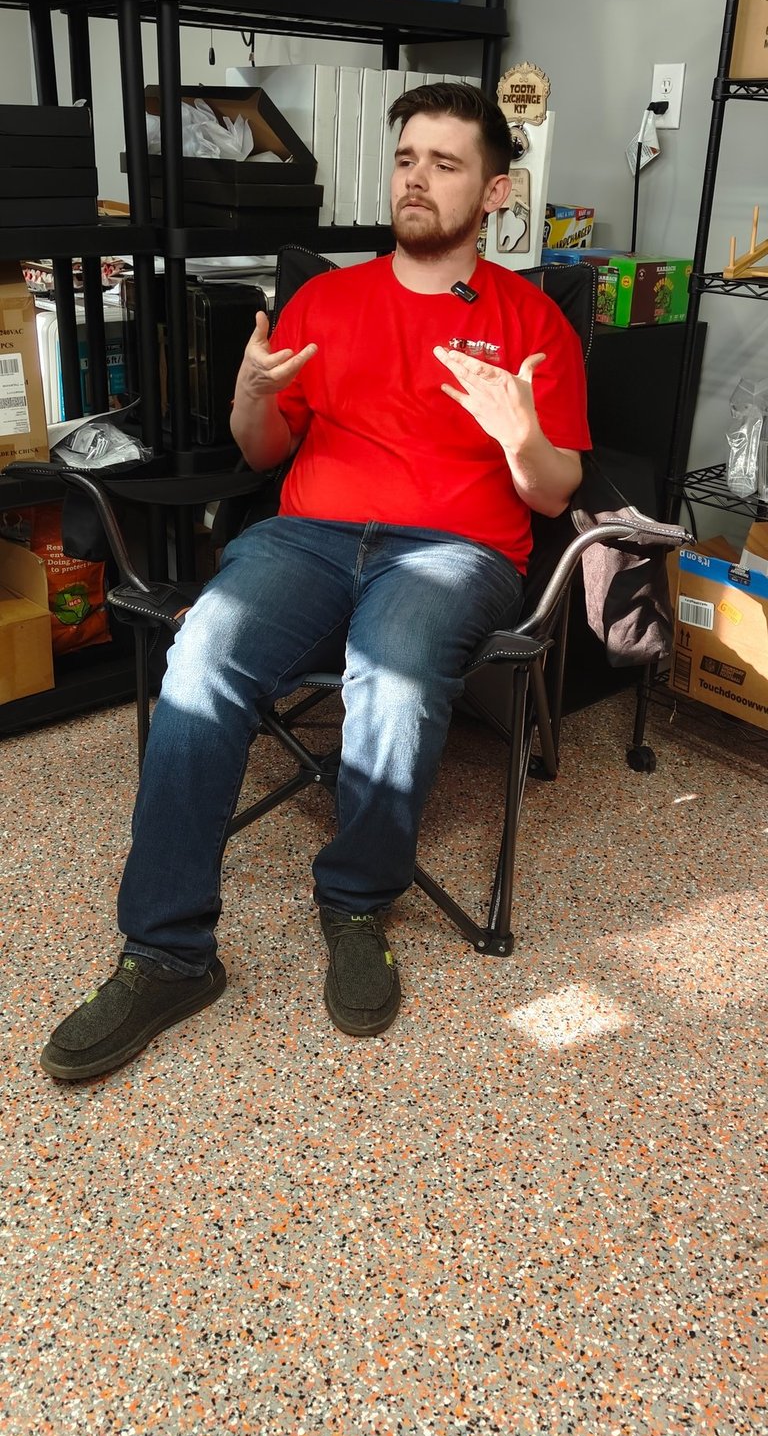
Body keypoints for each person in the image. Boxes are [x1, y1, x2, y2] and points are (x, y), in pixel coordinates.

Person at [41, 83, 591, 1080]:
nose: (416, 179)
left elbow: (556, 493)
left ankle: (356, 902)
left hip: (454, 550)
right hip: (309, 539)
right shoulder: (326, 301)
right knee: (200, 656)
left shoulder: (533, 322)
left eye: (446, 163)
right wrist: (250, 397)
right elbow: (263, 450)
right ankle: (166, 953)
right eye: (407, 158)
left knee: (398, 671)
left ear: (495, 190)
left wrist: (522, 434)